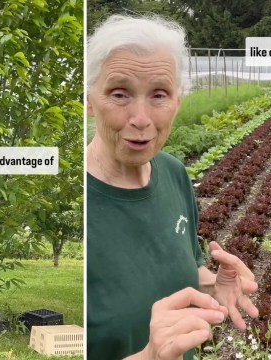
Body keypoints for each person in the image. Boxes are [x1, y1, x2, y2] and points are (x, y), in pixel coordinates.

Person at [87, 14, 258, 360]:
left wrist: (212, 283)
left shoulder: (173, 172)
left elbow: (183, 266)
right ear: (90, 100)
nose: (141, 118)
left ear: (178, 102)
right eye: (120, 94)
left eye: (159, 95)